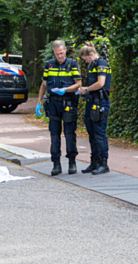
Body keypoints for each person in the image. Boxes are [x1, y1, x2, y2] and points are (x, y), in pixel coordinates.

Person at [35, 40, 82, 176]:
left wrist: (66, 89)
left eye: (61, 53)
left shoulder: (72, 64)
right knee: (54, 135)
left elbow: (78, 84)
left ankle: (72, 161)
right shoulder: (49, 65)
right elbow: (44, 84)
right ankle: (56, 163)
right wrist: (39, 102)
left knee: (69, 134)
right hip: (53, 103)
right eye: (57, 54)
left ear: (65, 50)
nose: (59, 56)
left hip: (68, 102)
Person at [77, 43, 111, 175]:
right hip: (91, 102)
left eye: (86, 59)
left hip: (100, 102)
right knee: (92, 133)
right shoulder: (92, 65)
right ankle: (95, 162)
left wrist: (86, 89)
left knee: (99, 133)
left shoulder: (101, 64)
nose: (86, 61)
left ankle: (103, 163)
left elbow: (100, 83)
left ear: (91, 55)